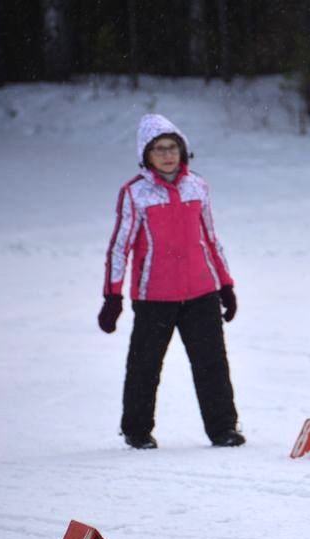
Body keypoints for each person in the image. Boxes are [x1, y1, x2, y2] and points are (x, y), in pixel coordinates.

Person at [98, 113, 244, 450]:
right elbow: (119, 246)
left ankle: (223, 428)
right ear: (146, 155)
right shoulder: (135, 194)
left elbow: (210, 239)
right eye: (159, 149)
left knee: (212, 364)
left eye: (173, 147)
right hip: (154, 297)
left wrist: (225, 284)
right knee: (144, 365)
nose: (167, 155)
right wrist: (112, 296)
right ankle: (136, 430)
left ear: (182, 151)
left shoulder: (198, 186)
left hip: (201, 292)